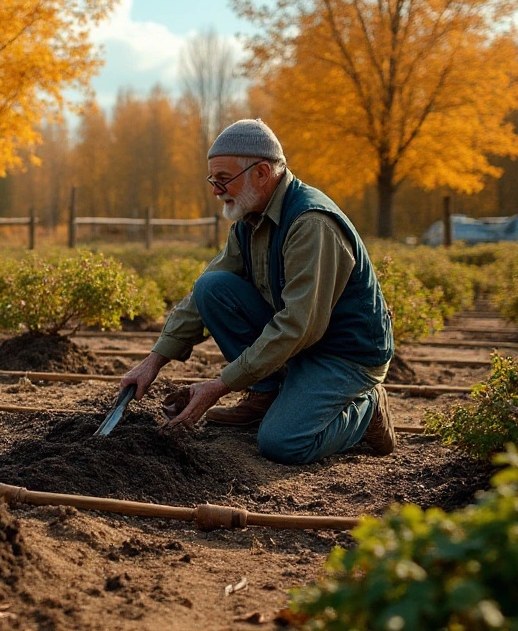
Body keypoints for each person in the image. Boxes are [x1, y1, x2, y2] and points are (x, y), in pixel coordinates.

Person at [120, 119, 395, 464]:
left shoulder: (310, 223)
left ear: (262, 173)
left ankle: (367, 410)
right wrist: (154, 360)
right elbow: (204, 292)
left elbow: (298, 325)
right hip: (304, 342)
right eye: (213, 180)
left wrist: (221, 385)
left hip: (346, 354)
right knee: (212, 288)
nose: (216, 191)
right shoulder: (250, 219)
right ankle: (266, 393)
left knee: (283, 443)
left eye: (223, 180)